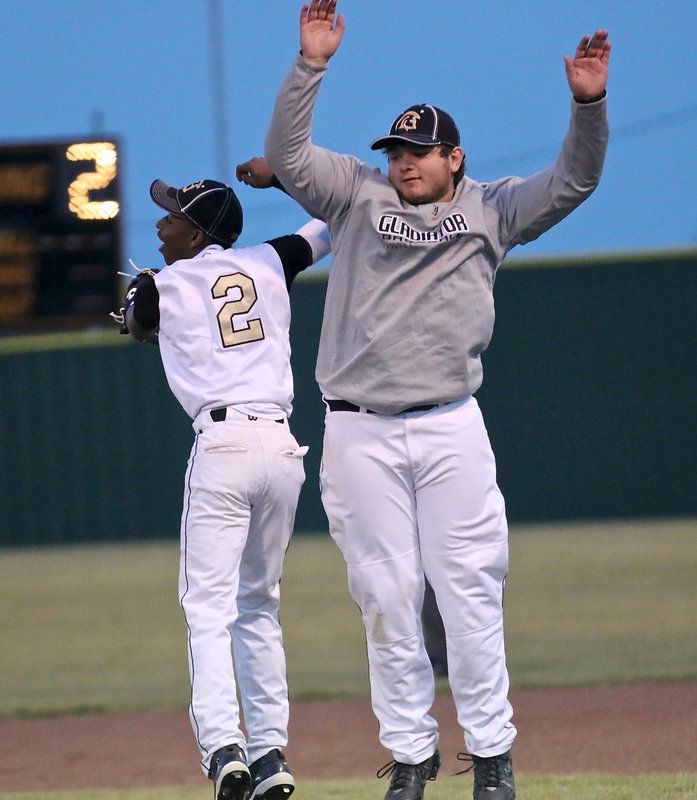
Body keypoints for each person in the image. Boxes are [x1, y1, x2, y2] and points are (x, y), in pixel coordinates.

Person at [263, 2, 610, 799]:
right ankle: (411, 760)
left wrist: (586, 106)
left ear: (455, 157)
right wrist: (310, 62)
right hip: (359, 430)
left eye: (419, 151)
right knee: (384, 599)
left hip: (450, 424)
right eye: (396, 149)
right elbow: (286, 153)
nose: (404, 161)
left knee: (468, 590)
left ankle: (491, 760)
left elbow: (576, 179)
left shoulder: (492, 208)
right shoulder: (354, 194)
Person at [115, 176, 330, 800]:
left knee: (207, 607)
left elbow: (136, 321)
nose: (160, 226)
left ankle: (223, 749)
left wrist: (142, 307)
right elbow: (330, 224)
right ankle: (270, 755)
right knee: (258, 605)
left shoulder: (161, 283)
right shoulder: (270, 259)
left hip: (224, 444)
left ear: (199, 233)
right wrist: (300, 177)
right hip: (284, 448)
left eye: (173, 217)